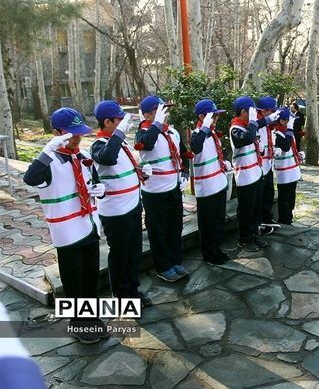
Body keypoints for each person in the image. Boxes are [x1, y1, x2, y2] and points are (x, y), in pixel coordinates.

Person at [23, 107, 110, 343]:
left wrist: (99, 191)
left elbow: (94, 182)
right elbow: (30, 178)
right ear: (55, 133)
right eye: (71, 134)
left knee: (90, 278)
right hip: (67, 233)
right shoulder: (48, 162)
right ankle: (78, 324)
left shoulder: (81, 158)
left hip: (88, 226)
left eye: (80, 133)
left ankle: (91, 320)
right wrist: (47, 150)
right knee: (73, 282)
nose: (77, 138)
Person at [91, 100, 152, 305]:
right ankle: (121, 296)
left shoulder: (121, 142)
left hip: (133, 205)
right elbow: (108, 158)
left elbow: (123, 169)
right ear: (107, 122)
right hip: (116, 212)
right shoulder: (98, 145)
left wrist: (142, 172)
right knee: (120, 255)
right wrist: (119, 134)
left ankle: (133, 291)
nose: (124, 123)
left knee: (134, 251)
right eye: (119, 119)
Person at [135, 95, 189, 282]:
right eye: (160, 111)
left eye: (166, 110)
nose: (166, 114)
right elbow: (147, 144)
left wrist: (185, 173)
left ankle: (175, 261)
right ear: (148, 115)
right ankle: (162, 266)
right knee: (158, 231)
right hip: (155, 192)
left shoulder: (172, 132)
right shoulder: (143, 132)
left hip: (174, 189)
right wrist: (156, 124)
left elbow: (183, 154)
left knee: (175, 228)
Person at [229, 96, 280, 252]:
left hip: (255, 174)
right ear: (243, 112)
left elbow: (256, 134)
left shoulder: (249, 126)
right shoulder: (235, 128)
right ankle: (244, 238)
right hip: (245, 176)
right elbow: (247, 138)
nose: (254, 115)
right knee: (246, 209)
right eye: (251, 112)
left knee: (255, 208)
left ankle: (253, 234)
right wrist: (253, 122)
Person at [190, 99, 231, 265]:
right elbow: (195, 146)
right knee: (208, 223)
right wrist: (205, 127)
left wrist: (223, 164)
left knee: (218, 220)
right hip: (206, 187)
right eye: (212, 116)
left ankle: (217, 248)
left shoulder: (212, 134)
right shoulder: (197, 134)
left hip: (218, 183)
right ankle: (209, 253)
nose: (215, 119)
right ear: (201, 117)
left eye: (216, 116)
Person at [256, 96, 283, 235]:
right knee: (259, 196)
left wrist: (275, 149)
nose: (274, 114)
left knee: (268, 193)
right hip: (258, 166)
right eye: (272, 111)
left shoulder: (269, 124)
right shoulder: (256, 121)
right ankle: (260, 223)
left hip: (268, 164)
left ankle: (267, 218)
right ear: (264, 111)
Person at [272, 108, 299, 225]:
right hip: (283, 173)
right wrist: (290, 129)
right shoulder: (276, 133)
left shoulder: (288, 132)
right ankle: (284, 221)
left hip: (292, 170)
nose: (291, 123)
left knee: (291, 198)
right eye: (289, 120)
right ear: (282, 121)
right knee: (284, 199)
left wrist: (298, 154)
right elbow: (286, 146)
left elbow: (291, 147)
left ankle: (289, 219)